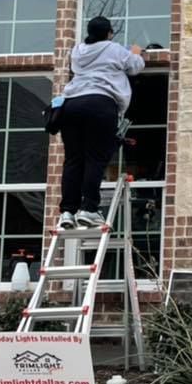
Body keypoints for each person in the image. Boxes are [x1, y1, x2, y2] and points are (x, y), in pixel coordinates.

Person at [56, 15, 144, 230]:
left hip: (70, 105)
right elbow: (136, 66)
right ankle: (89, 208)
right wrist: (135, 52)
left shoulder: (77, 51)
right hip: (100, 103)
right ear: (109, 33)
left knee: (73, 159)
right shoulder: (113, 48)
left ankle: (68, 211)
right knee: (95, 158)